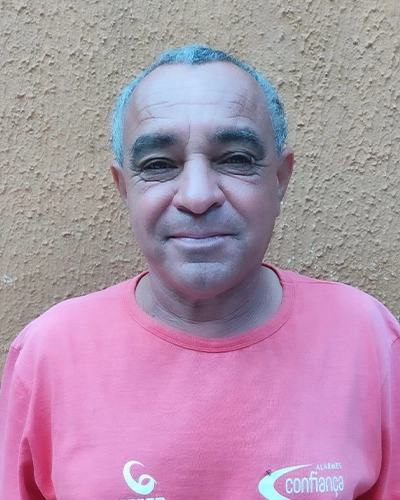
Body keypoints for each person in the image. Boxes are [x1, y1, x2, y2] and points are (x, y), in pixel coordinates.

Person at [0, 45, 399, 500]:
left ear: (280, 179)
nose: (197, 195)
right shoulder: (50, 352)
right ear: (124, 187)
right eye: (158, 165)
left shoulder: (368, 339)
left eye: (236, 158)